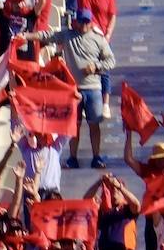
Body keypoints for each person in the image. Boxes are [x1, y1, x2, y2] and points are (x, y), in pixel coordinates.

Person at [20, 9, 115, 169]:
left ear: (91, 23)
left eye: (87, 22)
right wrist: (26, 36)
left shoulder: (99, 40)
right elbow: (46, 36)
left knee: (94, 124)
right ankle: (72, 157)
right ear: (76, 21)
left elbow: (111, 61)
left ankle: (96, 156)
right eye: (81, 21)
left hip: (93, 88)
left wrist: (96, 67)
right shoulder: (67, 35)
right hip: (73, 89)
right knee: (74, 126)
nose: (84, 25)